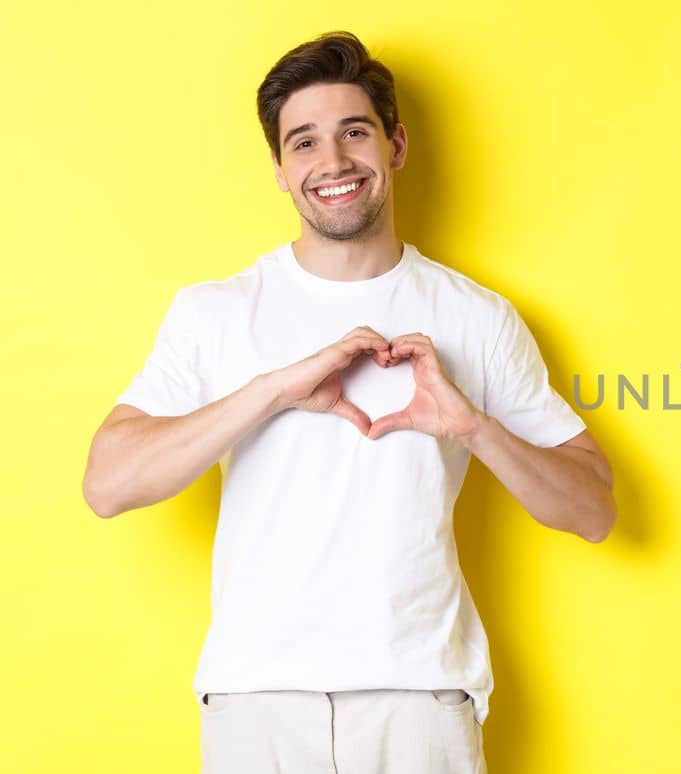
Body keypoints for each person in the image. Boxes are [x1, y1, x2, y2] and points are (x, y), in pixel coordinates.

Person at [80, 30, 616, 773]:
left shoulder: (477, 317)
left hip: (421, 701)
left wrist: (471, 426)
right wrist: (272, 390)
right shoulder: (215, 312)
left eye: (353, 133)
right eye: (303, 143)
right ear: (279, 168)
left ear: (394, 147)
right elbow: (107, 484)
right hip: (255, 702)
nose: (331, 163)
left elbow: (593, 510)